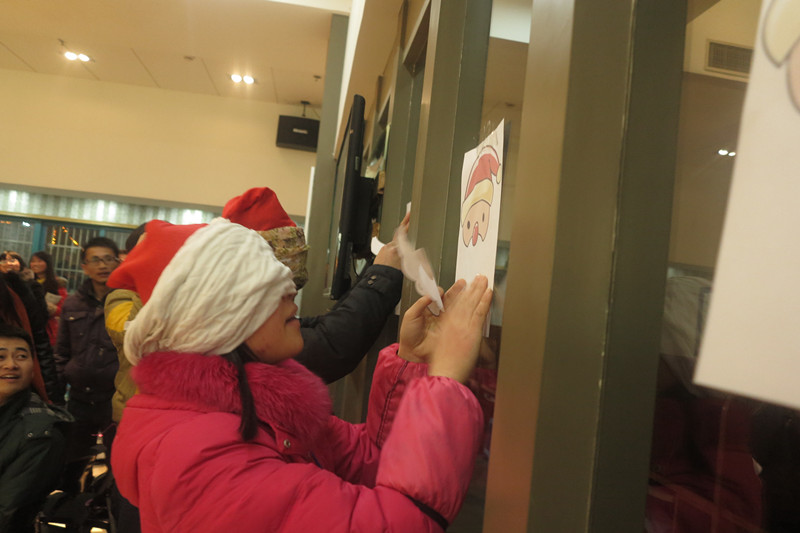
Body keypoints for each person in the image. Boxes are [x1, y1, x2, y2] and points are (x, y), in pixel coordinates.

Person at [112, 219, 490, 532]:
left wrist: (412, 361)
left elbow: (375, 460)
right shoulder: (200, 458)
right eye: (265, 287)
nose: (291, 291)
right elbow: (401, 522)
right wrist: (444, 380)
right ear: (216, 318)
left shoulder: (261, 406)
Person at [106, 187, 404, 424]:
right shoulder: (218, 429)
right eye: (269, 293)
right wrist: (380, 277)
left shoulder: (220, 383)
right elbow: (329, 344)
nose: (291, 306)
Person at [55, 237, 121, 490]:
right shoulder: (73, 303)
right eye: (95, 260)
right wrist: (58, 390)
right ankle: (67, 506)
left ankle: (104, 507)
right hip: (79, 399)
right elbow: (62, 351)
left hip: (114, 400)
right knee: (71, 463)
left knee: (117, 466)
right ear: (84, 266)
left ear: (117, 262)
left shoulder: (127, 302)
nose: (102, 265)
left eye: (108, 259)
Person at [0, 323, 73, 533]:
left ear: (33, 368)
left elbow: (7, 513)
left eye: (21, 356)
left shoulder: (41, 434)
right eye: (1, 357)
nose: (11, 365)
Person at [29, 251, 69, 347]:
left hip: (48, 328)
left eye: (39, 261)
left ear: (48, 263)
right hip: (29, 325)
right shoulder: (26, 282)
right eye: (33, 261)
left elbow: (64, 309)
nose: (35, 264)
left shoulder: (57, 283)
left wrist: (53, 309)